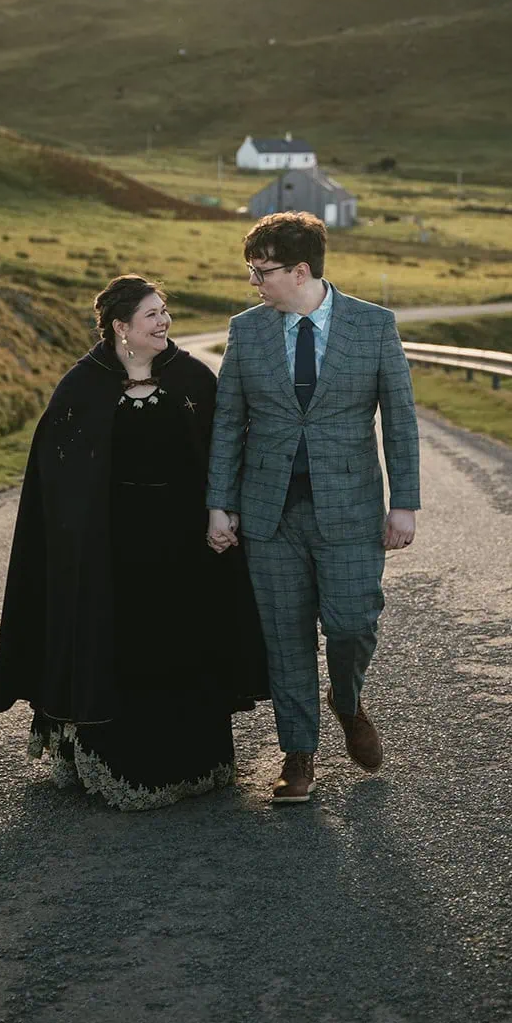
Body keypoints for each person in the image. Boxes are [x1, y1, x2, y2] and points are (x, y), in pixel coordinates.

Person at [0, 274, 268, 811]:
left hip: (184, 546)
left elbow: (222, 452)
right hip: (108, 548)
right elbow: (58, 471)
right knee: (120, 642)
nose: (164, 322)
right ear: (121, 327)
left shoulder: (192, 379)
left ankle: (195, 764)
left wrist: (223, 511)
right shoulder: (82, 386)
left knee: (182, 638)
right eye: (152, 315)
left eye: (165, 311)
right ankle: (118, 766)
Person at [206, 212, 420, 805]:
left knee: (353, 623)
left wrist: (404, 503)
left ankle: (347, 701)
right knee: (285, 635)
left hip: (350, 511)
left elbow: (399, 420)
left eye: (262, 271)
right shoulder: (246, 330)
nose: (255, 283)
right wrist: (219, 504)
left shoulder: (373, 326)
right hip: (270, 512)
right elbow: (228, 421)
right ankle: (297, 755)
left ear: (300, 270)